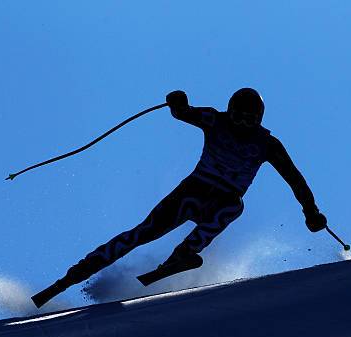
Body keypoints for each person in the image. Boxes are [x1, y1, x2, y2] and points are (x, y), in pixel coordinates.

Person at [32, 88, 327, 307]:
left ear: (259, 119)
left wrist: (310, 211)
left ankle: (183, 253)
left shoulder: (268, 145)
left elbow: (295, 178)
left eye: (249, 119)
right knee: (141, 234)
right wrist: (178, 102)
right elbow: (184, 113)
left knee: (234, 207)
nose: (241, 124)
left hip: (222, 199)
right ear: (230, 111)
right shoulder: (215, 120)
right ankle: (69, 279)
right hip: (193, 191)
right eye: (238, 116)